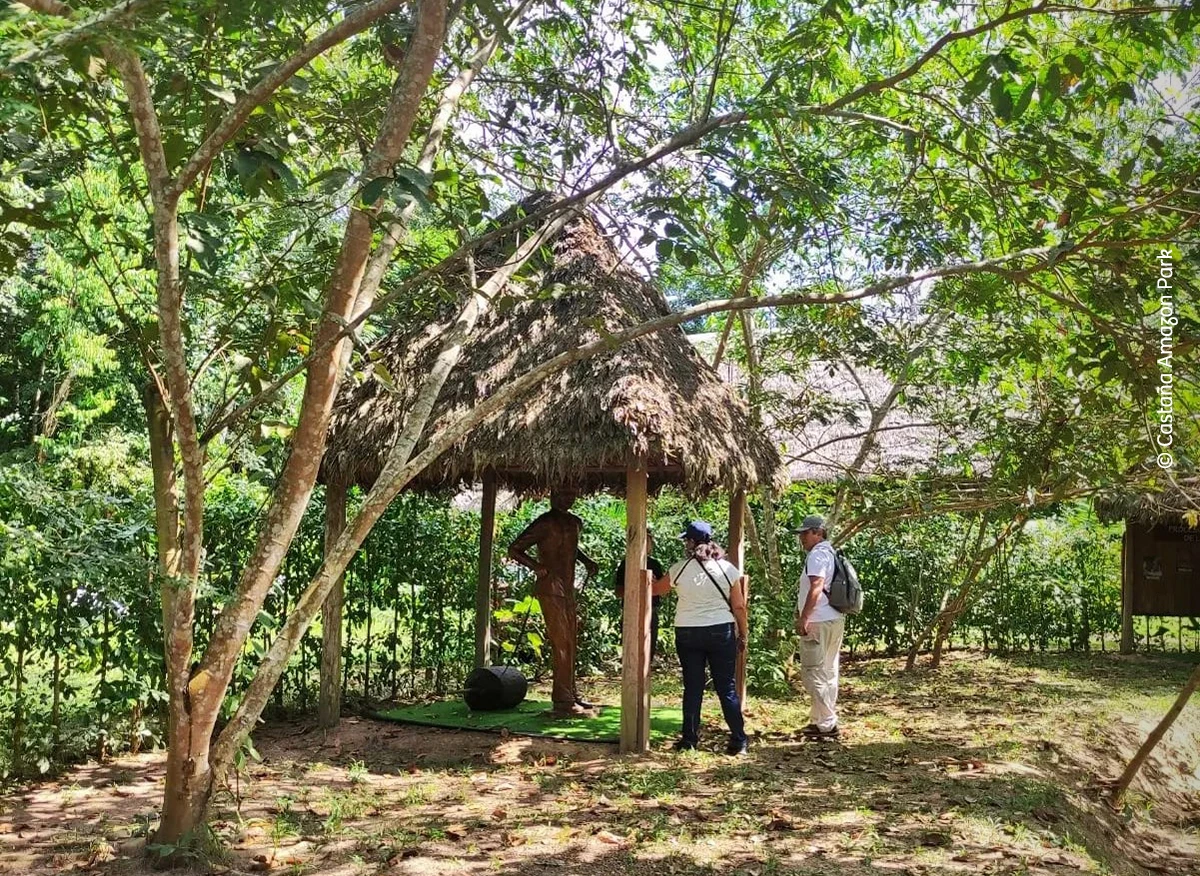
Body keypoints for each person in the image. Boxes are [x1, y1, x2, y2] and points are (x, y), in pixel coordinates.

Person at [507, 488, 600, 716]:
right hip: (550, 588)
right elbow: (515, 549)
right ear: (553, 497)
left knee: (571, 641)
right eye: (563, 494)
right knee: (561, 643)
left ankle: (570, 692)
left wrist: (586, 561)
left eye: (572, 494)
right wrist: (536, 567)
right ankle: (562, 699)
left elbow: (570, 549)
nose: (568, 498)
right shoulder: (544, 522)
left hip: (568, 589)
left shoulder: (575, 522)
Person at [666, 520, 748, 755]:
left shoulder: (679, 569)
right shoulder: (727, 569)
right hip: (720, 630)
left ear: (691, 543)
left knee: (693, 687)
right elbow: (739, 606)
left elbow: (656, 588)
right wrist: (743, 633)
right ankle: (739, 740)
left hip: (687, 631)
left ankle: (689, 740)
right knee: (726, 688)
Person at [792, 514, 845, 739]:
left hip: (819, 620)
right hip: (834, 617)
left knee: (811, 673)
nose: (802, 538)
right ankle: (819, 721)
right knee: (828, 672)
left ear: (818, 532)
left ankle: (828, 722)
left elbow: (816, 587)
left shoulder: (817, 555)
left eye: (806, 533)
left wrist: (805, 617)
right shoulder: (830, 552)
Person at [613, 530, 669, 661]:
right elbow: (618, 592)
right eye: (645, 540)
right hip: (630, 611)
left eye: (649, 541)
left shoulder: (655, 564)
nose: (648, 544)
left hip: (651, 611)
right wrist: (633, 587)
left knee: (649, 652)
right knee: (631, 651)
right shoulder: (625, 564)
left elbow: (664, 591)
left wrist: (654, 585)